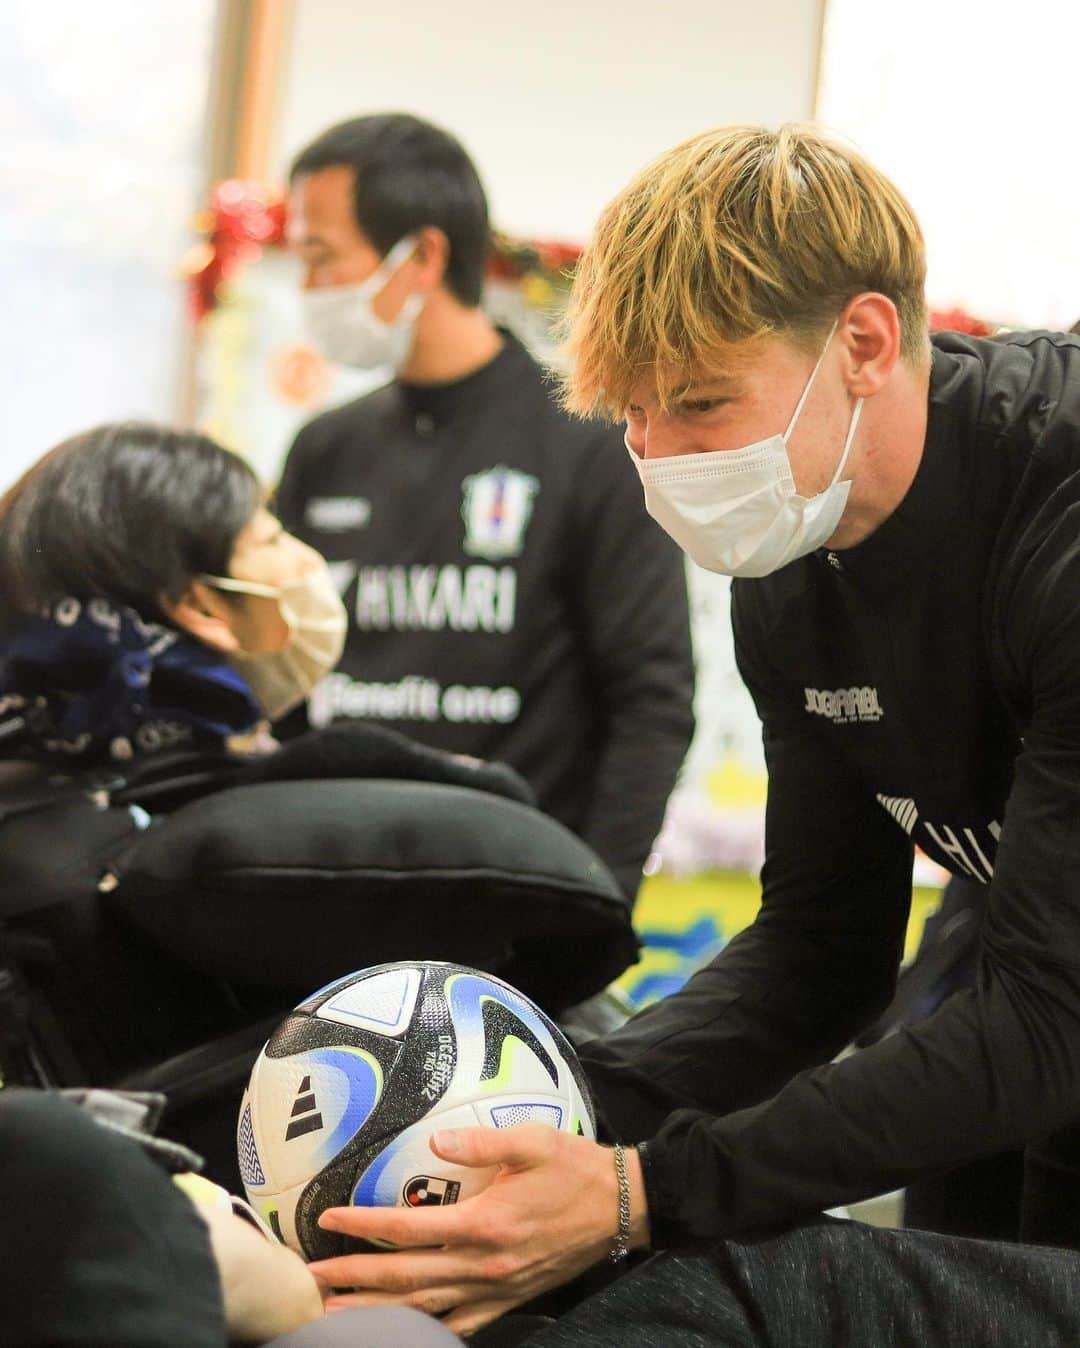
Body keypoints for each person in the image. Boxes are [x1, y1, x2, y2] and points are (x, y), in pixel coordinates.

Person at [293, 123, 1080, 1341]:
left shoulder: (1057, 518)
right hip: (1031, 1000)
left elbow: (1050, 1021)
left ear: (864, 343)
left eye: (702, 403)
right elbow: (823, 946)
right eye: (634, 415)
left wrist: (635, 1193)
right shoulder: (791, 557)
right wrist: (545, 1107)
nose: (662, 458)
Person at [276, 113, 695, 901]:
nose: (308, 289)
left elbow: (652, 702)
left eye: (321, 257)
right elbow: (286, 681)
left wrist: (596, 904)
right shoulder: (324, 448)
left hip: (510, 899)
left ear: (424, 256)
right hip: (332, 891)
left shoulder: (587, 444)